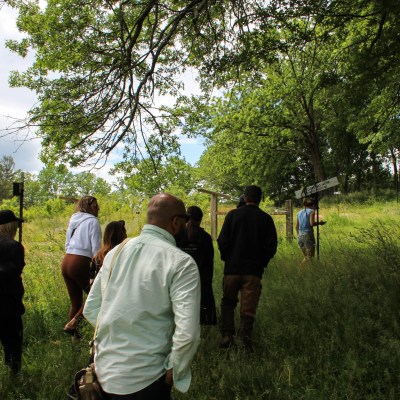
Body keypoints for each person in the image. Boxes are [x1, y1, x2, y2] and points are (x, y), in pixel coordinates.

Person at [83, 193, 201, 399]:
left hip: (103, 372)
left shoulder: (115, 252)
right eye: (185, 220)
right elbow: (188, 334)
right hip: (147, 378)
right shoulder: (181, 263)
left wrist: (119, 333)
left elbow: (91, 308)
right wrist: (173, 372)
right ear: (176, 222)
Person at [217, 185, 277, 350]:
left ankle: (227, 336)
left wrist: (227, 258)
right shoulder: (266, 219)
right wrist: (261, 263)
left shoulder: (232, 215)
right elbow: (271, 247)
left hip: (232, 269)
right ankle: (244, 341)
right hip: (253, 272)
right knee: (248, 309)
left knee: (228, 302)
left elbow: (222, 241)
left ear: (244, 197)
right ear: (260, 199)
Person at [62, 195, 102, 336]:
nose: (98, 209)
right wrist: (100, 267)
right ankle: (74, 323)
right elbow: (96, 250)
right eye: (95, 206)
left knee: (75, 303)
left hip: (66, 261)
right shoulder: (93, 221)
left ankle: (74, 341)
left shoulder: (74, 220)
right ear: (88, 206)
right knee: (97, 295)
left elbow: (67, 243)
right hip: (79, 262)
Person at [178, 206, 217, 325]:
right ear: (200, 220)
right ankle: (205, 322)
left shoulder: (178, 237)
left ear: (186, 218)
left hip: (181, 279)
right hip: (201, 280)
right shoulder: (205, 238)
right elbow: (209, 262)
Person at [0, 210, 25, 373]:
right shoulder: (14, 246)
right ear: (11, 226)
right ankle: (14, 374)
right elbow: (16, 274)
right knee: (13, 341)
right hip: (7, 302)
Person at [90, 220, 127, 284]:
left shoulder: (98, 257)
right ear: (122, 236)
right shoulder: (125, 254)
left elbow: (92, 281)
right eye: (125, 233)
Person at [296, 198, 326, 265]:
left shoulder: (299, 213)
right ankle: (303, 270)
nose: (315, 208)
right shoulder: (312, 211)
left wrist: (298, 235)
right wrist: (319, 223)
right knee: (310, 257)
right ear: (313, 205)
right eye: (315, 206)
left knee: (306, 257)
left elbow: (296, 226)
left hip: (300, 236)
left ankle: (301, 271)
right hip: (308, 235)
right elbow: (311, 223)